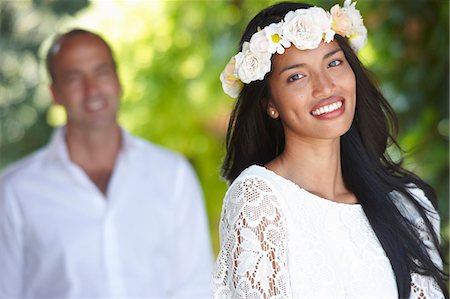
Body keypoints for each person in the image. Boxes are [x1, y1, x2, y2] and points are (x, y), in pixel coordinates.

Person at [213, 1, 448, 298]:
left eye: (334, 63)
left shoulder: (407, 205)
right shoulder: (260, 199)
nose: (325, 87)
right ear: (269, 104)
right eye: (296, 76)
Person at [0, 29, 213, 298]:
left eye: (101, 72)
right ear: (55, 93)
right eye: (73, 78)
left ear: (118, 80)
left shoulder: (173, 174)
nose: (92, 90)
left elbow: (195, 287)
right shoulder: (14, 191)